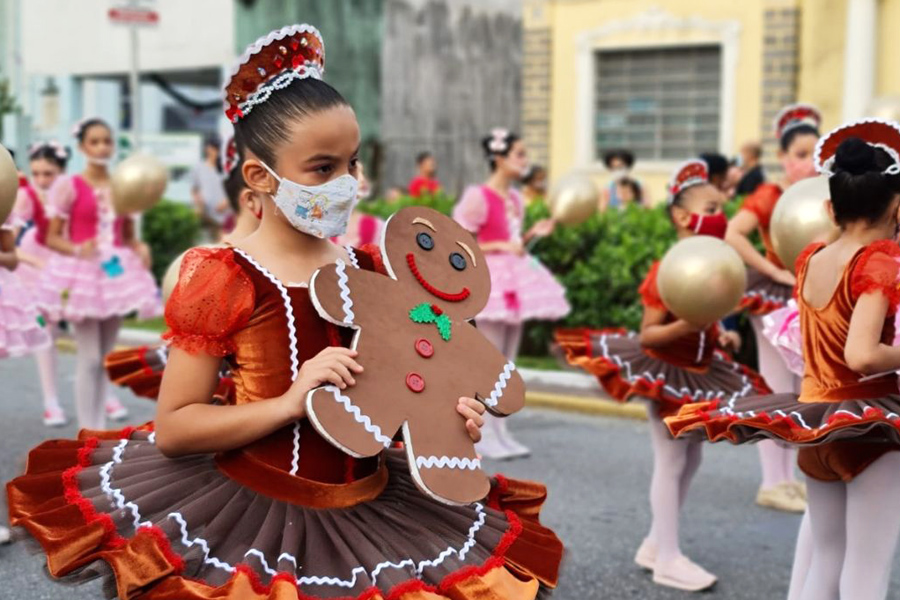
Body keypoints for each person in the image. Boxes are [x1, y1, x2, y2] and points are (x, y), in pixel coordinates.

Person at [8, 24, 563, 599]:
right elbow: (175, 427)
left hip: (374, 507)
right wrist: (289, 403)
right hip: (253, 518)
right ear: (258, 177)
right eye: (322, 169)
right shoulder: (225, 275)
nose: (345, 184)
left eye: (351, 164)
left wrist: (448, 420)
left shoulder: (374, 270)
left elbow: (393, 401)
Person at [667, 118, 900, 600]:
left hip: (815, 423)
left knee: (827, 558)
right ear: (896, 206)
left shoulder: (811, 257)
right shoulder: (878, 262)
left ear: (828, 208)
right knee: (867, 567)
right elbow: (860, 354)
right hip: (869, 425)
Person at [557, 159, 770, 593]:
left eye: (721, 204)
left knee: (691, 459)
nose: (721, 211)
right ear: (681, 215)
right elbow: (650, 334)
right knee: (672, 461)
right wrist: (687, 327)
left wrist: (717, 336)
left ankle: (657, 543)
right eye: (711, 204)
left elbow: (704, 313)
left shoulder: (711, 263)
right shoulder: (669, 267)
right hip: (669, 374)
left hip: (701, 369)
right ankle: (668, 558)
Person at [725, 103, 823, 513]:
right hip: (775, 295)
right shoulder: (770, 194)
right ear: (783, 158)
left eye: (815, 155)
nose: (808, 164)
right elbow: (734, 233)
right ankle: (772, 480)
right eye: (800, 155)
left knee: (799, 390)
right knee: (776, 388)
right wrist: (773, 271)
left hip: (808, 291)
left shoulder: (824, 192)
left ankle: (786, 478)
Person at [37, 118, 161, 431]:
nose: (102, 147)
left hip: (116, 272)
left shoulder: (123, 185)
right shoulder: (69, 185)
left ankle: (100, 428)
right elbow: (51, 237)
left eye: (107, 141)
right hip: (82, 274)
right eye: (95, 141)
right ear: (82, 146)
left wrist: (139, 246)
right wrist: (78, 250)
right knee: (89, 358)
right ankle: (87, 428)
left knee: (105, 358)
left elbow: (128, 233)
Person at [454, 128, 570, 460]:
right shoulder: (478, 196)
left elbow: (514, 239)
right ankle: (483, 432)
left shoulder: (516, 198)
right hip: (491, 280)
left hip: (515, 279)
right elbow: (461, 241)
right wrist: (502, 245)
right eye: (519, 154)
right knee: (489, 359)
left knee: (507, 361)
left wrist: (534, 233)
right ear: (500, 158)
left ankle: (500, 429)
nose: (525, 161)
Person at [191, 134, 231, 241]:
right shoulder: (199, 168)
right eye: (213, 148)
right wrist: (198, 201)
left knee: (222, 242)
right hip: (206, 214)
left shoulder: (226, 168)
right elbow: (194, 189)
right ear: (207, 149)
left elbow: (234, 188)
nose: (215, 151)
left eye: (217, 148)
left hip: (225, 214)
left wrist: (227, 202)